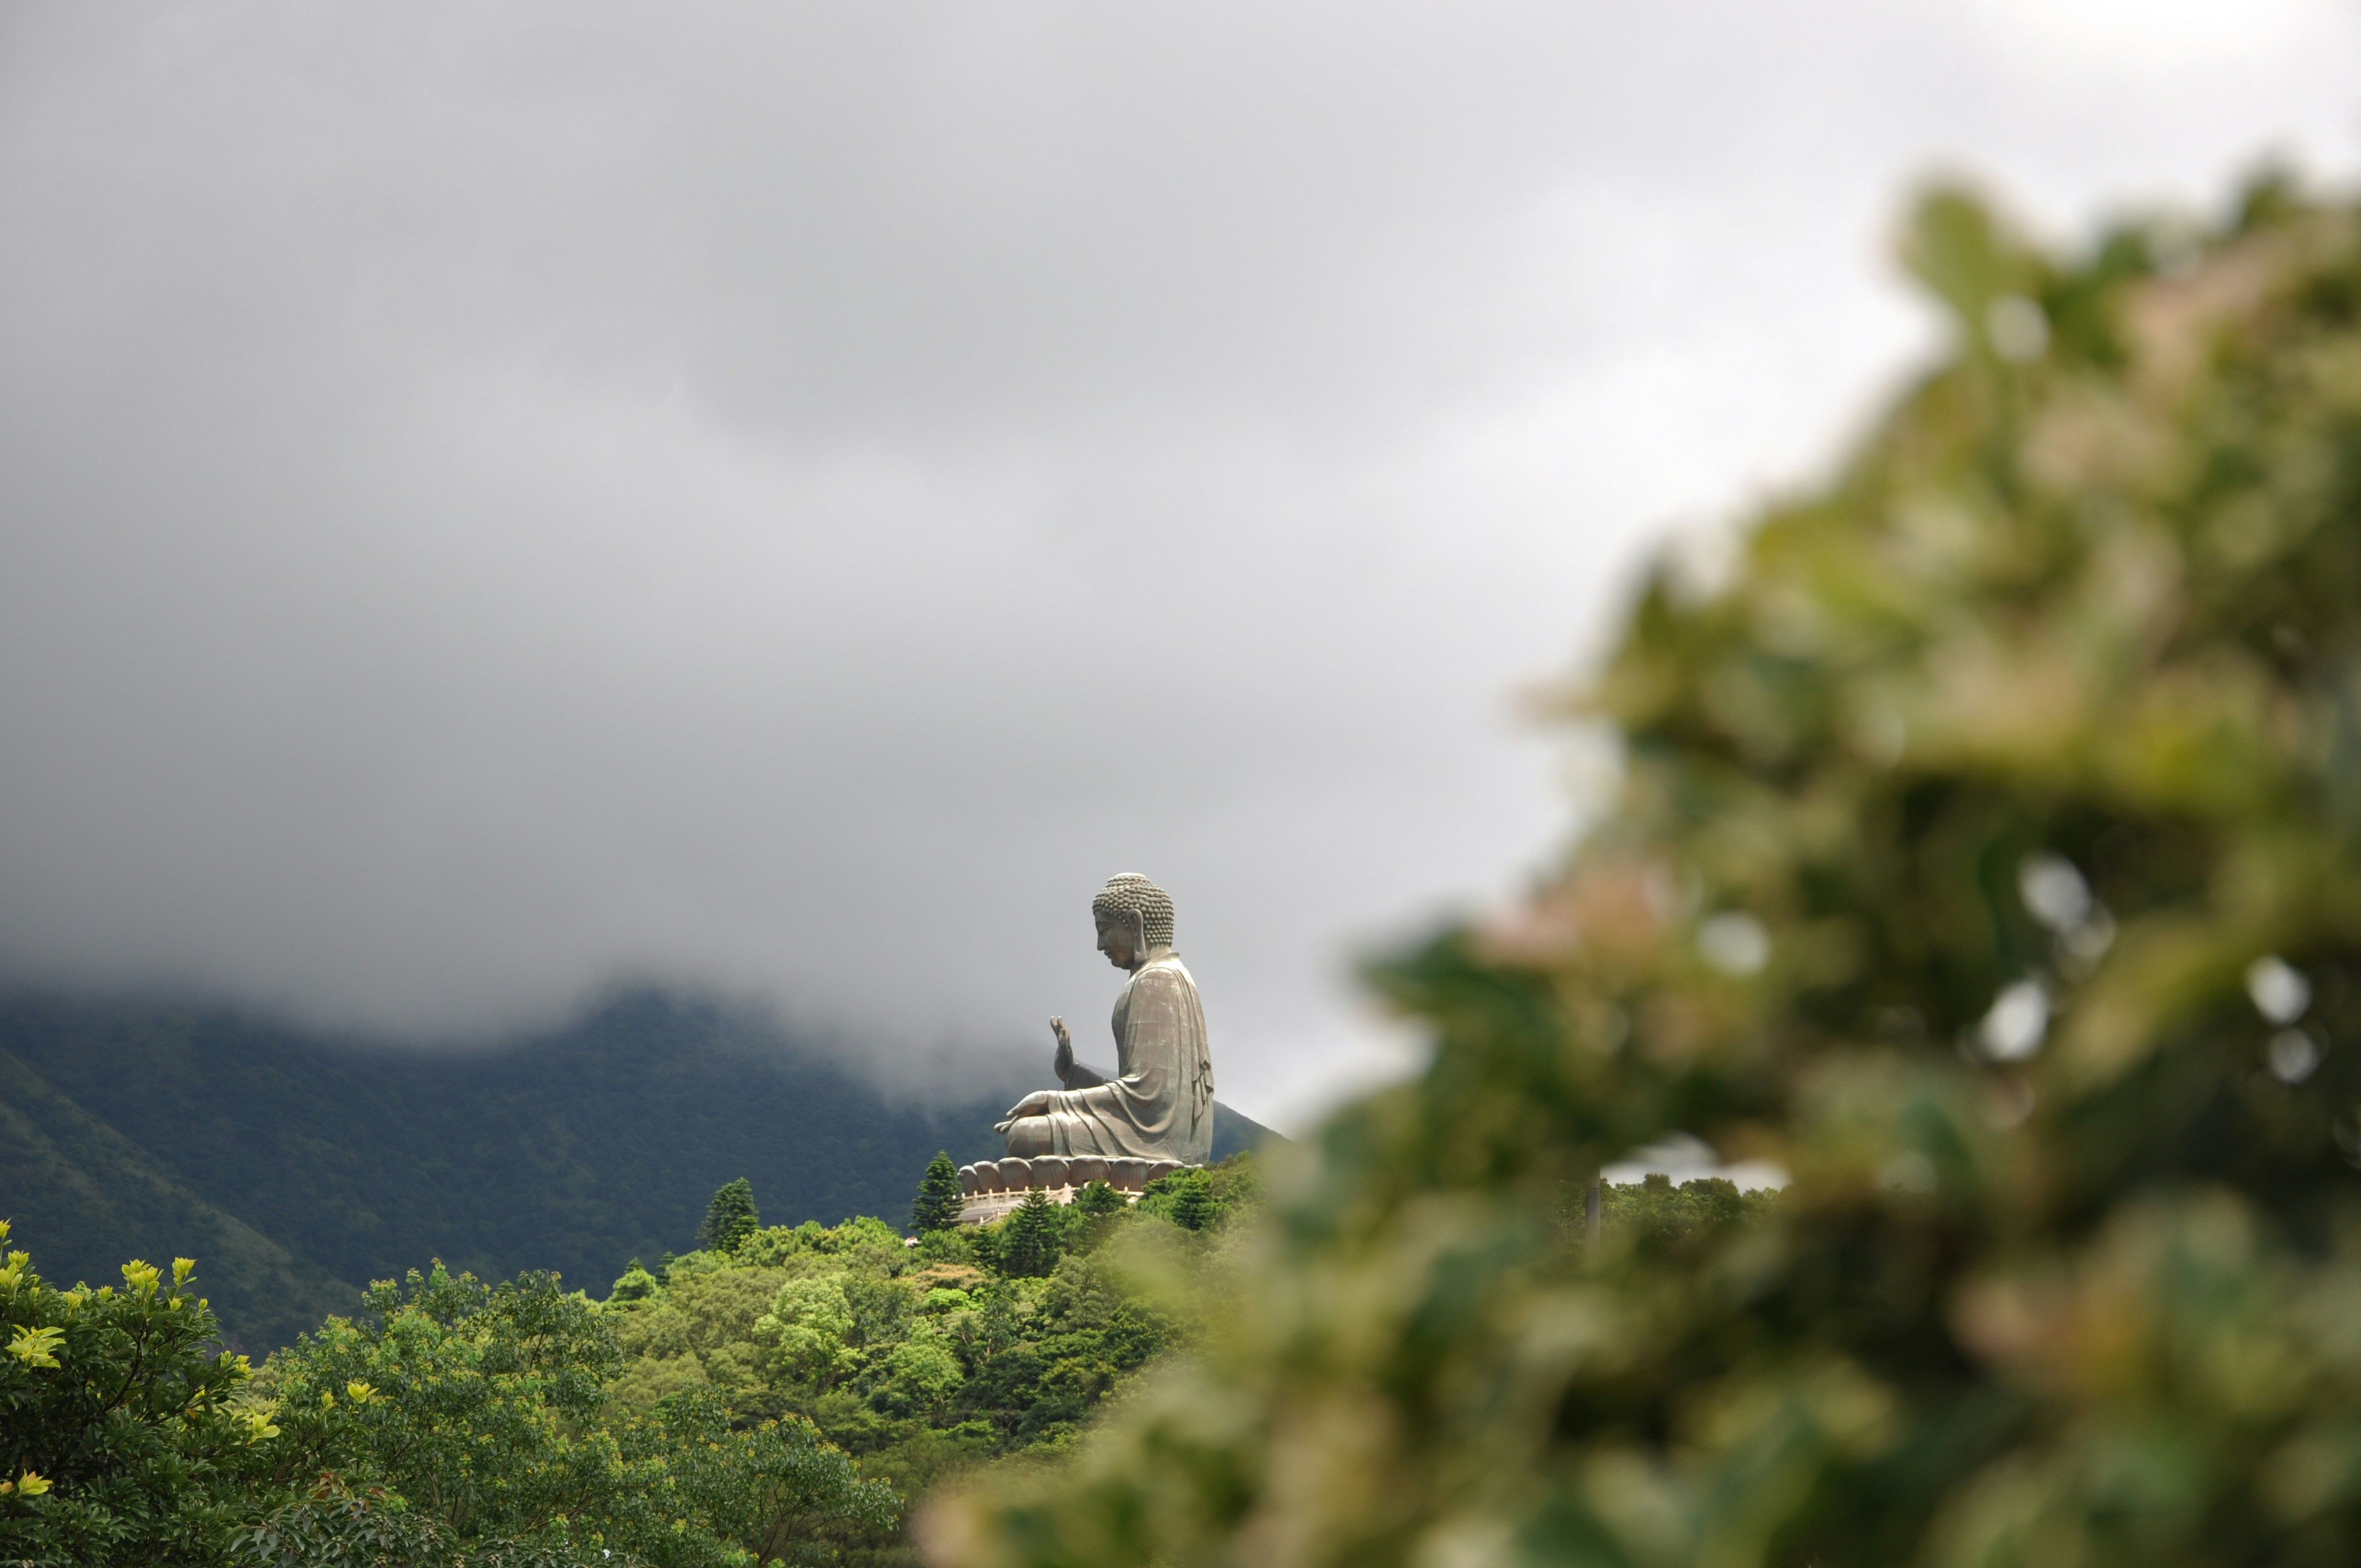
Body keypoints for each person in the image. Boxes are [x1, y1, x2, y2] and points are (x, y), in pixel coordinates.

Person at [995, 873, 1214, 1164]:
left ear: (1135, 923)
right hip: (1153, 1131)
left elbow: (1147, 1097)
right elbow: (1140, 1093)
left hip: (1156, 1141)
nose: (1100, 945)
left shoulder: (1157, 981)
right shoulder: (1169, 976)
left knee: (1025, 1136)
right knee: (1029, 1133)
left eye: (1105, 929)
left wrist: (1053, 1100)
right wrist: (1071, 1073)